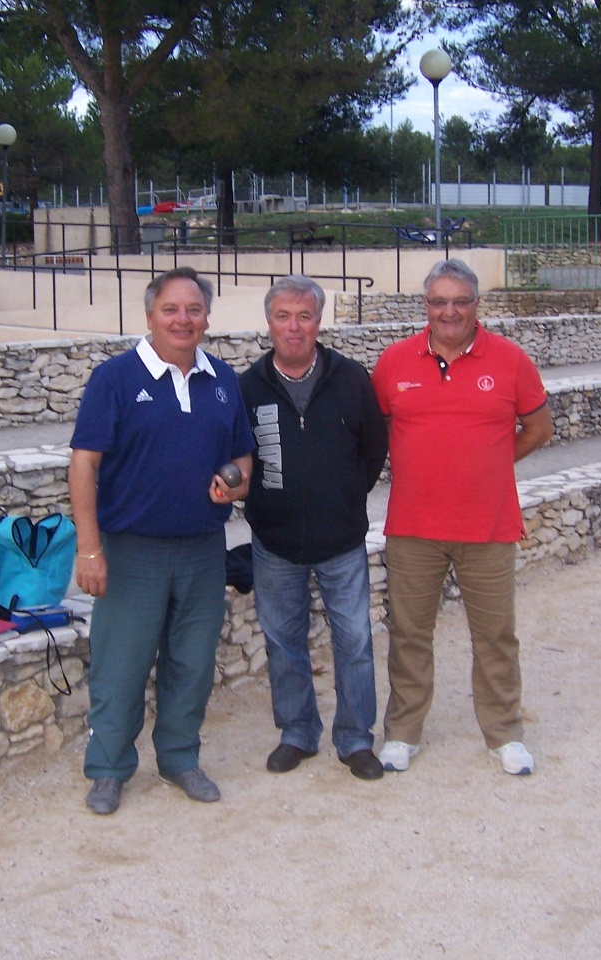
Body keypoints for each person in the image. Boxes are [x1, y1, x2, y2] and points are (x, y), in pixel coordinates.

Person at [69, 266, 254, 815]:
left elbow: (243, 455)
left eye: (193, 310)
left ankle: (179, 759)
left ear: (207, 318)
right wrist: (89, 547)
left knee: (191, 664)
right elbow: (84, 465)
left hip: (202, 549)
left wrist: (233, 479)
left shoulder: (222, 379)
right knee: (120, 665)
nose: (183, 319)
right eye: (171, 309)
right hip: (132, 552)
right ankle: (107, 769)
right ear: (150, 315)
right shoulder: (116, 379)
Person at [371, 258, 553, 777]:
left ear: (477, 304)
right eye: (438, 301)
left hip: (488, 527)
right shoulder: (395, 363)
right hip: (413, 528)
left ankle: (504, 733)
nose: (449, 311)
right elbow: (378, 431)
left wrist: (493, 460)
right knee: (408, 633)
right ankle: (403, 732)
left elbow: (539, 428)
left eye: (460, 301)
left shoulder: (511, 360)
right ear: (425, 305)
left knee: (495, 635)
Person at [238, 275, 389, 781]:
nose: (294, 326)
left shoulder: (351, 379)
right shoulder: (248, 386)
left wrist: (342, 499)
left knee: (355, 643)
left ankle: (354, 738)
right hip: (274, 542)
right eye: (283, 316)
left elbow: (373, 452)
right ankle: (298, 732)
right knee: (284, 643)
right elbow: (240, 458)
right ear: (269, 323)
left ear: (319, 322)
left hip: (341, 542)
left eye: (304, 316)